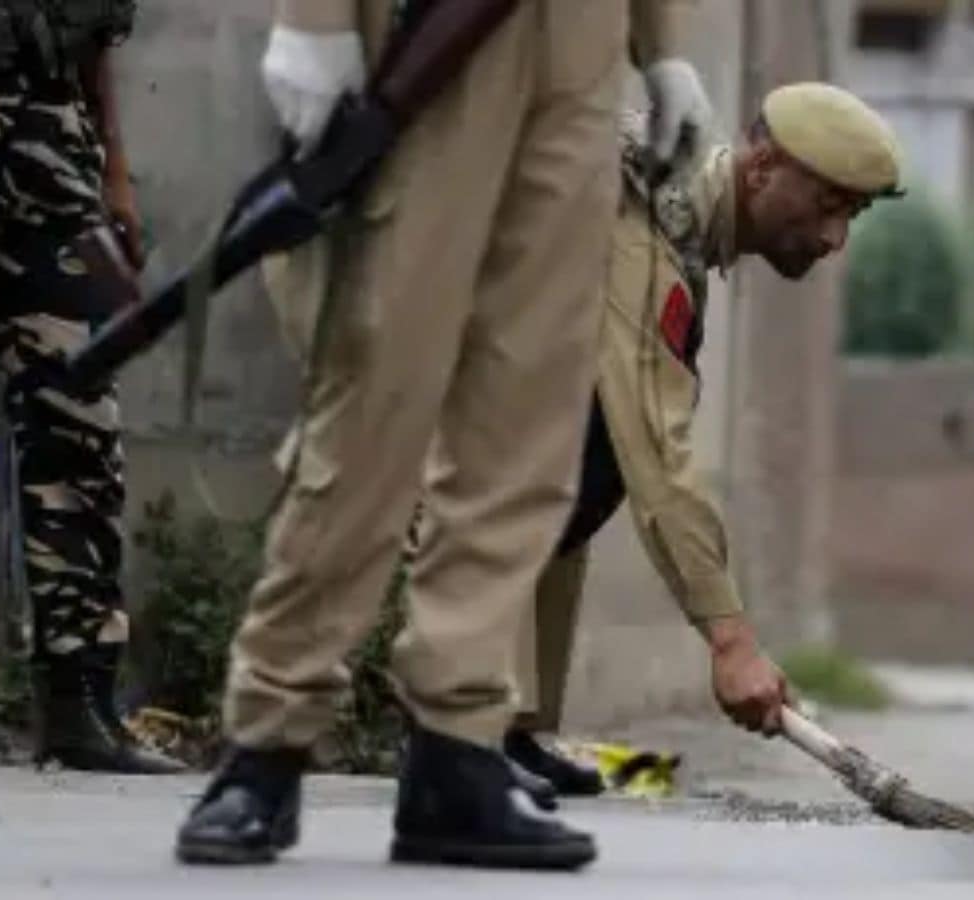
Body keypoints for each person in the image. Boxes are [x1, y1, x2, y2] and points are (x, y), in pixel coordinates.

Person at [174, 0, 712, 871]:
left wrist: (661, 47)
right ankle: (267, 740)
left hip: (583, 53)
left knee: (525, 423)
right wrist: (314, 18)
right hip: (437, 33)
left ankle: (457, 746)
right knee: (375, 402)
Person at [490, 82, 905, 798]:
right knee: (584, 445)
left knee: (575, 454)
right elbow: (658, 452)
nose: (836, 239)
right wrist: (732, 642)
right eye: (828, 205)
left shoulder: (679, 228)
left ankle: (509, 726)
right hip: (393, 346)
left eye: (853, 215)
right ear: (762, 166)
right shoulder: (647, 236)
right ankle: (461, 725)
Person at [0, 0, 183, 775]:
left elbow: (94, 34)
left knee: (79, 419)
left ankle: (79, 702)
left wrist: (113, 171)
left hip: (46, 134)